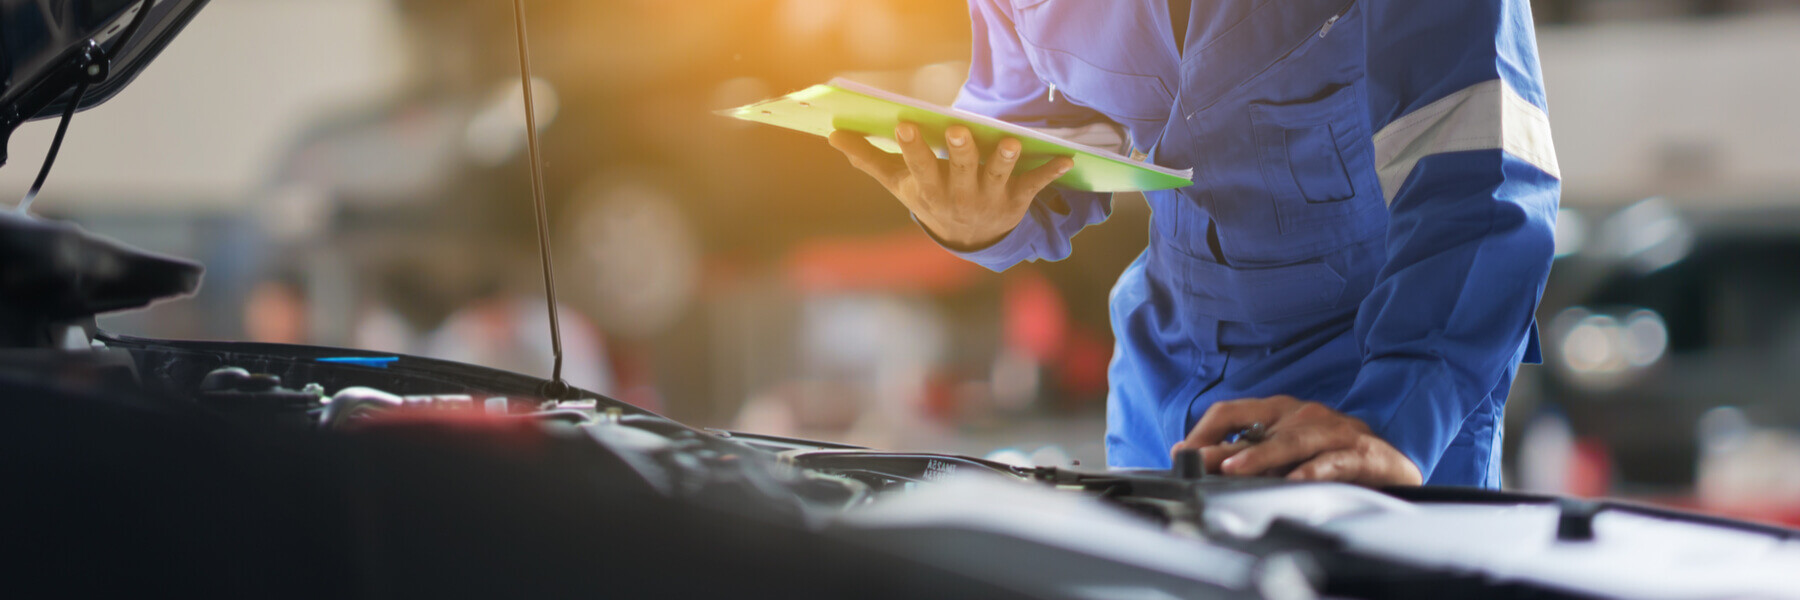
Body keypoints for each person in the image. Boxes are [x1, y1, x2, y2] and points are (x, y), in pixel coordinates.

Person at [829, 0, 1560, 488]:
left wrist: (1397, 417)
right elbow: (1034, 140)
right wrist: (975, 222)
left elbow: (1482, 170)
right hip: (1163, 386)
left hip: (1372, 386)